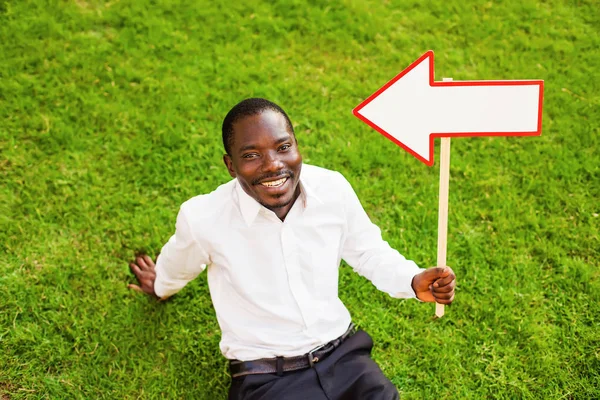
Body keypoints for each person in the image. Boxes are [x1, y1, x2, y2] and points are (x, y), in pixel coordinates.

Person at [129, 98, 456, 400]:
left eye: (283, 147)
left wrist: (412, 281)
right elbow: (180, 262)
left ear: (297, 147)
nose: (272, 165)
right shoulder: (204, 218)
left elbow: (368, 251)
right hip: (267, 376)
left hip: (344, 358)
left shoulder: (332, 189)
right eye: (251, 155)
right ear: (230, 165)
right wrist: (160, 285)